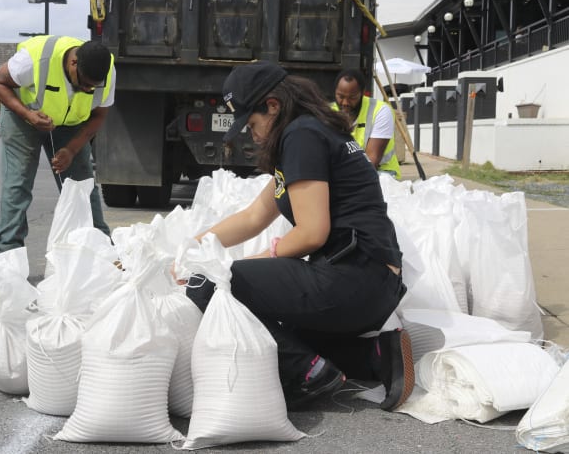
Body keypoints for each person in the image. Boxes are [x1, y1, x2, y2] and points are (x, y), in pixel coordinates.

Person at [175, 61, 414, 411]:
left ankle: (308, 373)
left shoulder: (301, 136)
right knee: (278, 332)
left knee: (211, 285)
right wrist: (192, 248)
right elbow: (255, 216)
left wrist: (221, 268)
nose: (251, 135)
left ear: (272, 106)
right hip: (372, 281)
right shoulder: (313, 132)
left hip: (355, 276)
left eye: (252, 124)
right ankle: (376, 356)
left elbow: (312, 233)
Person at [0, 36, 115, 252]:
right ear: (73, 63)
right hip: (23, 115)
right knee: (18, 184)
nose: (87, 90)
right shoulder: (35, 59)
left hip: (70, 122)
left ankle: (101, 249)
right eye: (84, 83)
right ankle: (8, 255)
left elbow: (99, 116)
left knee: (82, 186)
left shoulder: (107, 71)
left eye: (93, 87)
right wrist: (28, 115)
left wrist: (71, 149)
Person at [332, 69, 401, 179]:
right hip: (343, 173)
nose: (345, 103)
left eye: (352, 98)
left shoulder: (380, 111)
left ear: (362, 93)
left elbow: (371, 161)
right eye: (340, 97)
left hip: (382, 172)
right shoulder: (328, 112)